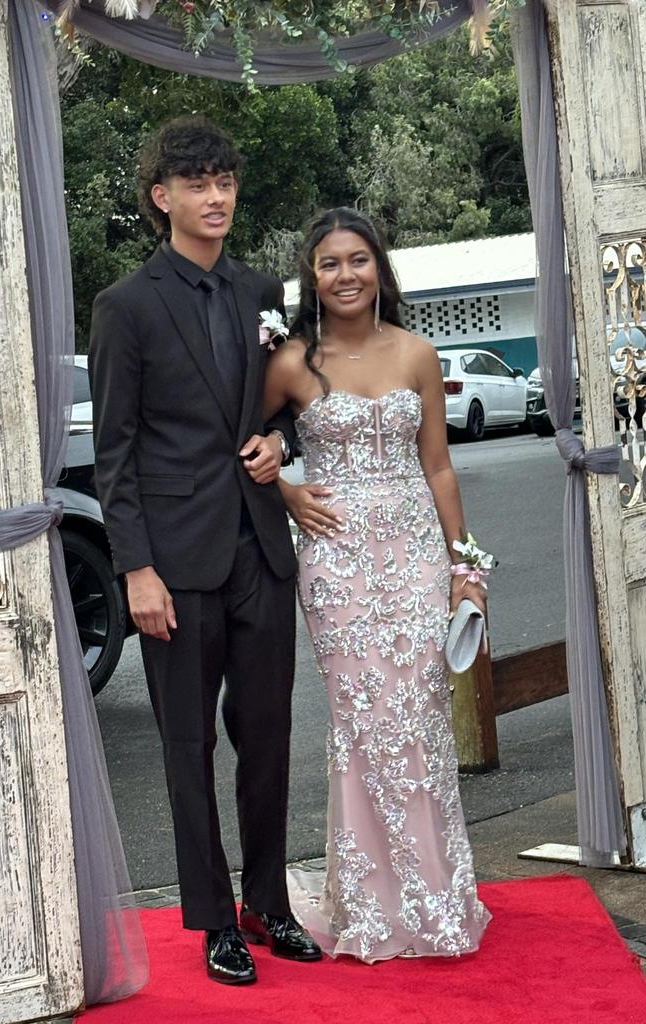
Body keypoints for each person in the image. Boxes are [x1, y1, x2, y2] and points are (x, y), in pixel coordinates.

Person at [88, 116, 322, 986]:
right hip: (174, 569)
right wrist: (135, 569)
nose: (215, 196)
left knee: (267, 738)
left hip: (262, 550)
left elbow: (287, 399)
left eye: (224, 180)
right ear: (163, 197)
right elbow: (114, 451)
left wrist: (280, 440)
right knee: (188, 746)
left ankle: (269, 902)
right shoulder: (124, 306)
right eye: (196, 183)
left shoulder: (263, 292)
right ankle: (214, 920)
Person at [263, 207, 492, 962]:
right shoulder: (293, 361)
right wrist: (287, 491)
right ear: (312, 276)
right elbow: (240, 442)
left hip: (415, 559)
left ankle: (435, 895)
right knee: (365, 725)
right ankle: (370, 902)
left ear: (379, 268)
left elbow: (439, 467)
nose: (346, 275)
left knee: (420, 720)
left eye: (358, 259)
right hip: (335, 566)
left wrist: (465, 569)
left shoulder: (418, 353)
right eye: (330, 263)